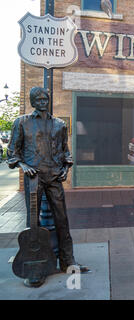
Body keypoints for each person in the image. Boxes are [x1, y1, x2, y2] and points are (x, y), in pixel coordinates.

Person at [7, 87, 88, 287]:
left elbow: (65, 152)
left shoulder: (59, 124)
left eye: (45, 98)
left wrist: (66, 169)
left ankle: (67, 261)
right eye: (38, 99)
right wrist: (23, 166)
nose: (43, 101)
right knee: (33, 223)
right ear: (33, 101)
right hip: (33, 177)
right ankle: (34, 267)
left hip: (54, 177)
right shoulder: (22, 122)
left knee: (62, 219)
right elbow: (12, 153)